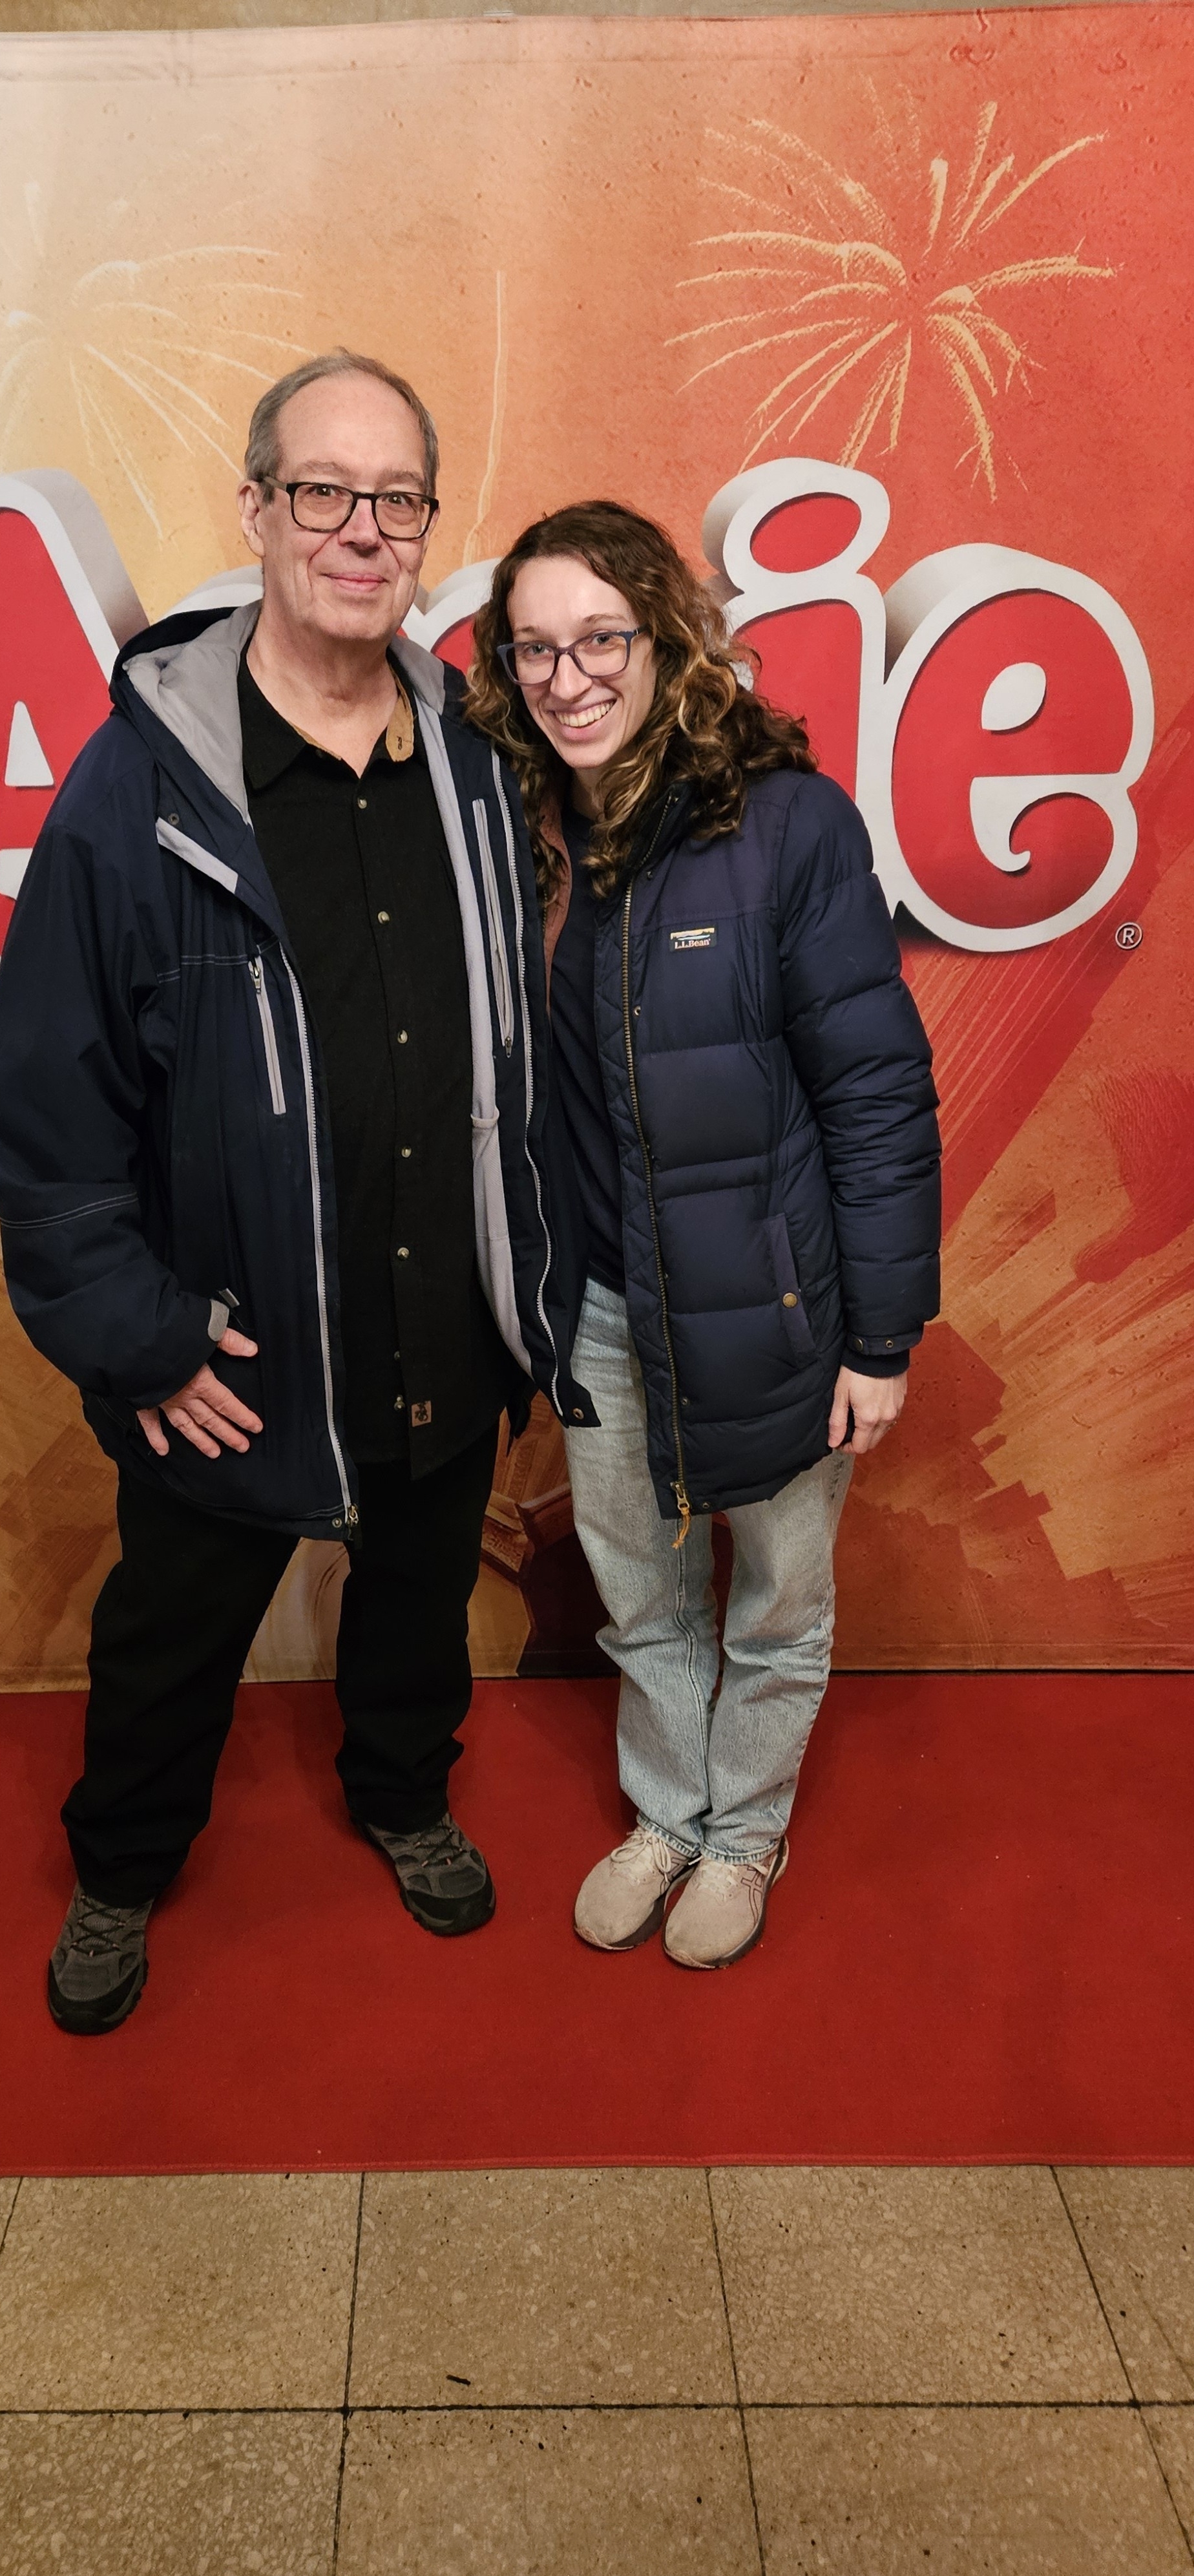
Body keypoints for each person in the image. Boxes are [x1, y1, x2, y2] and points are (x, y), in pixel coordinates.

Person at [0, 353, 589, 2034]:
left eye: (397, 498)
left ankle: (404, 1791)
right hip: (230, 1346)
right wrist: (144, 1339)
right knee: (170, 1636)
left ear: (425, 525)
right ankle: (121, 1868)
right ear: (256, 509)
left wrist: (526, 1278)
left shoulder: (474, 765)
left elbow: (516, 1043)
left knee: (417, 1601)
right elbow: (42, 1113)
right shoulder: (137, 787)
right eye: (323, 491)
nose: (361, 530)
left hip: (442, 1311)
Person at [465, 501, 940, 1969]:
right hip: (600, 1304)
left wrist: (881, 1335)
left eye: (600, 637)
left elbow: (874, 1092)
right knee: (640, 1591)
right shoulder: (512, 831)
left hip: (773, 1307)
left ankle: (746, 1833)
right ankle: (669, 1812)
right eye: (535, 648)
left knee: (778, 1602)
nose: (569, 678)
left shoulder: (786, 823)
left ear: (668, 641)